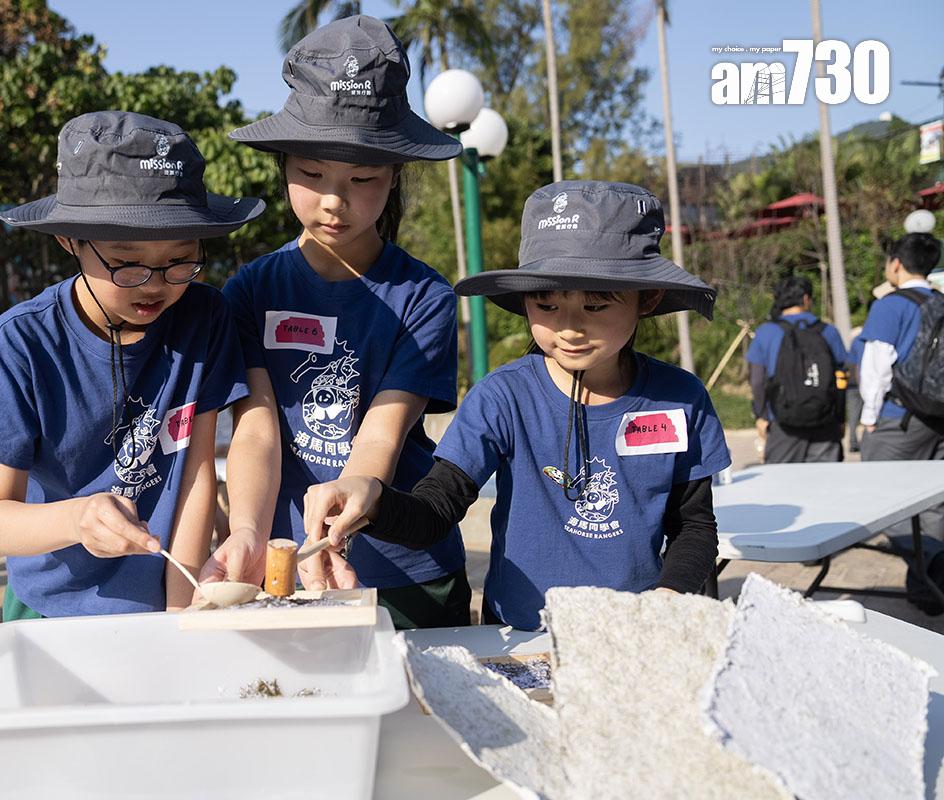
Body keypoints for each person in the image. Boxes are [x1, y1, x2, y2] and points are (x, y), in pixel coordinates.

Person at [302, 181, 731, 631]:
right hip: (519, 633)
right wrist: (372, 501)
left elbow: (694, 528)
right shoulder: (503, 397)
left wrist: (667, 599)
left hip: (633, 632)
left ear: (649, 298)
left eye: (596, 305)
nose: (569, 328)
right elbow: (434, 514)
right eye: (545, 304)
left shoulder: (681, 399)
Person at [211, 15, 468, 629]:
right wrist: (246, 529)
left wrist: (355, 500)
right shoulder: (250, 291)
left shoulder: (424, 295)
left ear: (395, 175)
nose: (334, 200)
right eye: (312, 174)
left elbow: (382, 432)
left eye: (361, 179)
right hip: (284, 564)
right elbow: (256, 431)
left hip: (408, 571)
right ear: (283, 166)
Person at [0, 111, 259, 620]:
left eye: (181, 258)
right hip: (50, 609)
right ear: (68, 240)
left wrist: (181, 614)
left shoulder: (204, 317)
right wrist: (78, 518)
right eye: (127, 259)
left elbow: (195, 473)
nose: (156, 282)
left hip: (164, 598)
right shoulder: (19, 345)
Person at [857, 232, 944, 612]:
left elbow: (876, 366)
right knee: (934, 506)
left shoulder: (890, 306)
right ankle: (928, 591)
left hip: (899, 419)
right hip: (937, 418)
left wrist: (869, 419)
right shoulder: (940, 301)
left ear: (896, 263)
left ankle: (936, 568)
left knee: (879, 503)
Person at [746, 275, 846, 463]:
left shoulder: (766, 332)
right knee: (828, 487)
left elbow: (757, 380)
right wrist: (840, 418)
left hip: (783, 426)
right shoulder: (829, 332)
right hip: (826, 425)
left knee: (782, 488)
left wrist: (761, 416)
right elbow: (841, 378)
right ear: (806, 299)